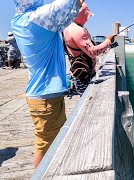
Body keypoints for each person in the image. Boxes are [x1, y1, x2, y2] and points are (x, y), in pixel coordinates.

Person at [11, 0, 84, 168]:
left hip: (44, 96)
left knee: (47, 144)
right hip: (45, 99)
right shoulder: (35, 19)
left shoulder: (21, 20)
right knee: (46, 147)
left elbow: (63, 18)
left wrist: (78, 5)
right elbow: (61, 6)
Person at [63, 3, 115, 96]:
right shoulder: (76, 30)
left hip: (80, 73)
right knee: (87, 99)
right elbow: (93, 52)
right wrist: (108, 41)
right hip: (84, 75)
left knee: (85, 97)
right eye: (86, 15)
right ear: (80, 14)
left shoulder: (68, 28)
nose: (87, 19)